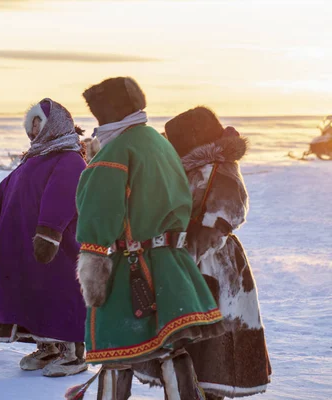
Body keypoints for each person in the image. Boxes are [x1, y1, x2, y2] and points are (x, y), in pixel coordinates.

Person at [71, 77, 225, 399]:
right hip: (171, 263)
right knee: (170, 348)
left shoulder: (116, 151)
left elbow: (99, 215)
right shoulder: (157, 142)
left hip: (132, 268)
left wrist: (94, 271)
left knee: (115, 351)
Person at [139, 106, 270, 399]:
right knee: (189, 343)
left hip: (213, 267)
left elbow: (225, 216)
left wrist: (184, 256)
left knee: (212, 343)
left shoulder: (218, 170)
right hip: (188, 261)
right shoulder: (191, 169)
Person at [0, 99, 88, 377]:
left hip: (56, 246)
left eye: (39, 123)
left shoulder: (69, 159)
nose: (34, 129)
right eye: (31, 124)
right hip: (25, 247)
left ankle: (73, 354)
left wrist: (49, 234)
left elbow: (61, 197)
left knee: (61, 294)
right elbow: (2, 195)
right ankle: (47, 346)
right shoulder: (31, 160)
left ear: (55, 125)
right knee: (34, 295)